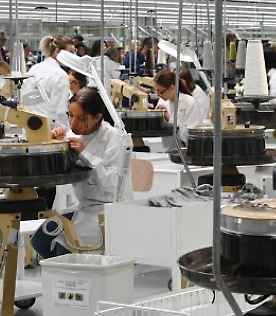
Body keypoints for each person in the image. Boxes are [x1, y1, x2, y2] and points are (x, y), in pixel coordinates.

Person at [30, 87, 131, 258]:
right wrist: (52, 144)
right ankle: (63, 271)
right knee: (39, 241)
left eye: (80, 118)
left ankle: (73, 272)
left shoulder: (114, 139)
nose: (73, 123)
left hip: (107, 207)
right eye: (70, 115)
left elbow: (113, 185)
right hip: (84, 206)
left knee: (65, 248)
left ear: (97, 117)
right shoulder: (72, 135)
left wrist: (85, 154)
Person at [22, 36, 72, 130]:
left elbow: (25, 99)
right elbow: (60, 112)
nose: (73, 56)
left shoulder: (34, 69)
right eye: (70, 53)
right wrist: (67, 132)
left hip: (29, 126)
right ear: (57, 51)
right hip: (50, 130)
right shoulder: (60, 75)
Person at [154, 68, 207, 145]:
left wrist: (170, 119)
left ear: (172, 88)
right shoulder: (162, 101)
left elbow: (189, 136)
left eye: (160, 92)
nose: (158, 95)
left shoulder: (190, 102)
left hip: (183, 149)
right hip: (167, 148)